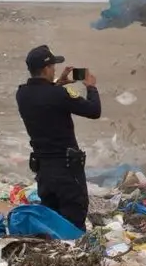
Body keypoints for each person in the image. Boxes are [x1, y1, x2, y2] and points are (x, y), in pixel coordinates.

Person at [16, 45, 101, 231]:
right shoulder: (59, 95)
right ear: (46, 69)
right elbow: (94, 111)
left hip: (44, 173)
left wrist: (57, 84)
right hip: (67, 172)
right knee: (73, 224)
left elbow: (43, 97)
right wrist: (91, 86)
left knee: (52, 224)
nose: (55, 70)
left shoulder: (22, 94)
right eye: (53, 66)